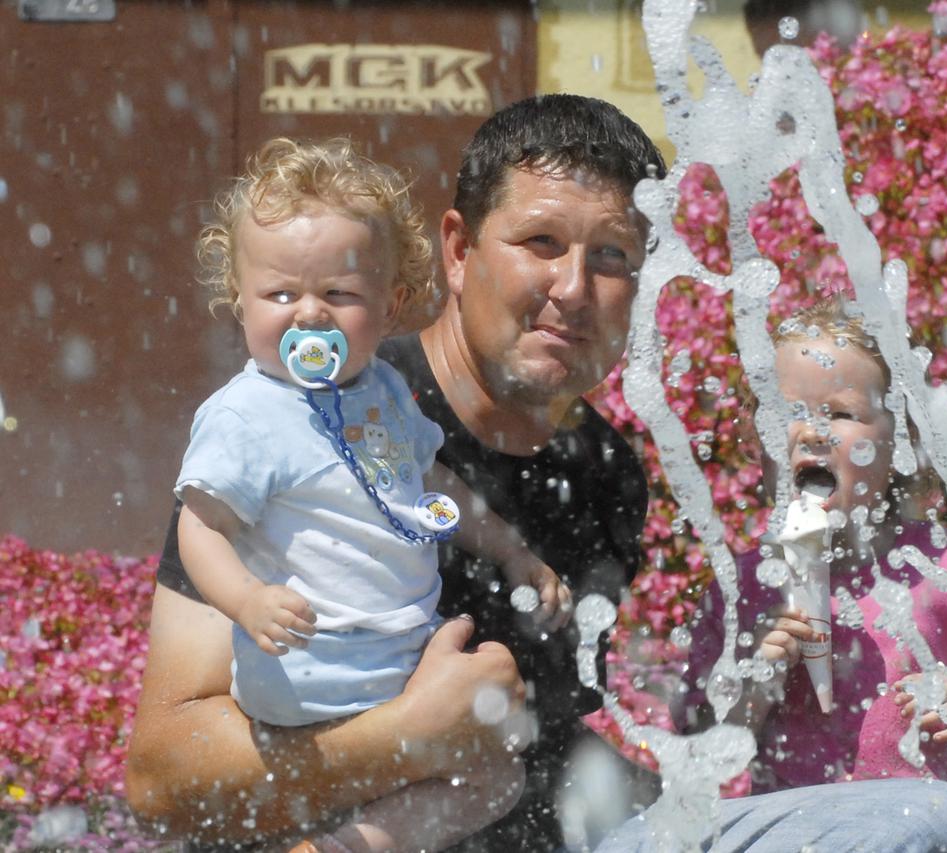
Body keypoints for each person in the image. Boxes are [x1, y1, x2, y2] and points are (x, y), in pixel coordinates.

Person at [125, 95, 665, 851]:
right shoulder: (306, 418)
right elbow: (163, 777)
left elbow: (538, 741)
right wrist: (406, 734)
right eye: (540, 241)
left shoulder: (606, 473)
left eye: (611, 254)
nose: (574, 287)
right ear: (457, 250)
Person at [596, 299, 947, 851]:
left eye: (840, 414)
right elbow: (701, 749)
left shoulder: (941, 567)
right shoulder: (742, 590)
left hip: (916, 832)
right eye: (789, 412)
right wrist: (757, 681)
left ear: (899, 438)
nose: (812, 433)